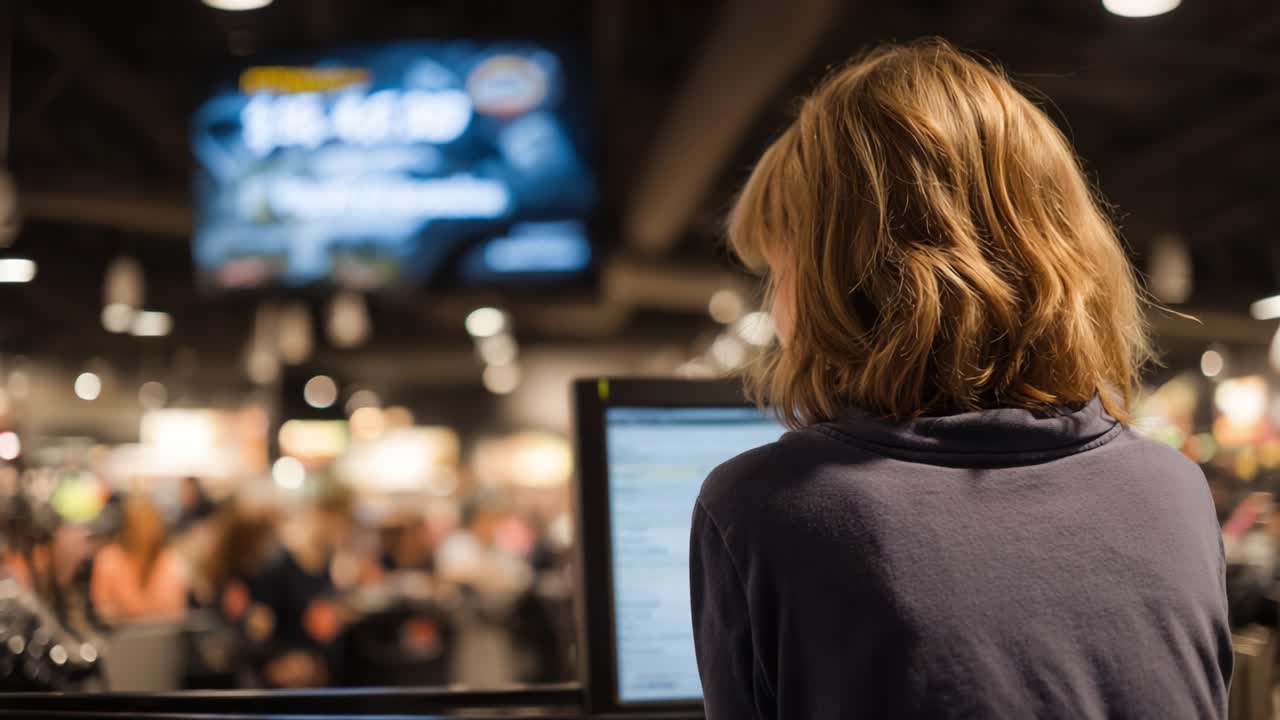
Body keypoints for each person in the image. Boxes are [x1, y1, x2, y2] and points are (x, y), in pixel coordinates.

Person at [690, 41, 1231, 719]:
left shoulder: (764, 508)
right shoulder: (1173, 489)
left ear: (845, 276)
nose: (776, 309)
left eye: (780, 268)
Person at [90, 497, 187, 622]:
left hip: (163, 634)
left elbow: (177, 609)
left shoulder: (170, 560)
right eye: (138, 523)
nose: (144, 530)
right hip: (121, 635)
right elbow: (103, 608)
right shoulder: (108, 559)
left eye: (149, 523)